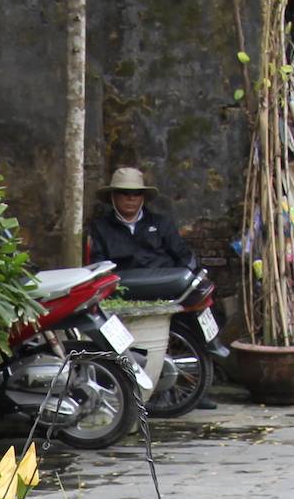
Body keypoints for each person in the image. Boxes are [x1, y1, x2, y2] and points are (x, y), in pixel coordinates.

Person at [83, 166, 218, 408]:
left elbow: (182, 253)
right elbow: (98, 265)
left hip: (168, 287)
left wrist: (190, 274)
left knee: (195, 317)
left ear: (143, 197)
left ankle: (197, 387)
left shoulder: (161, 223)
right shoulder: (100, 228)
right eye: (124, 194)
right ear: (113, 196)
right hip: (125, 290)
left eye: (136, 194)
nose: (131, 199)